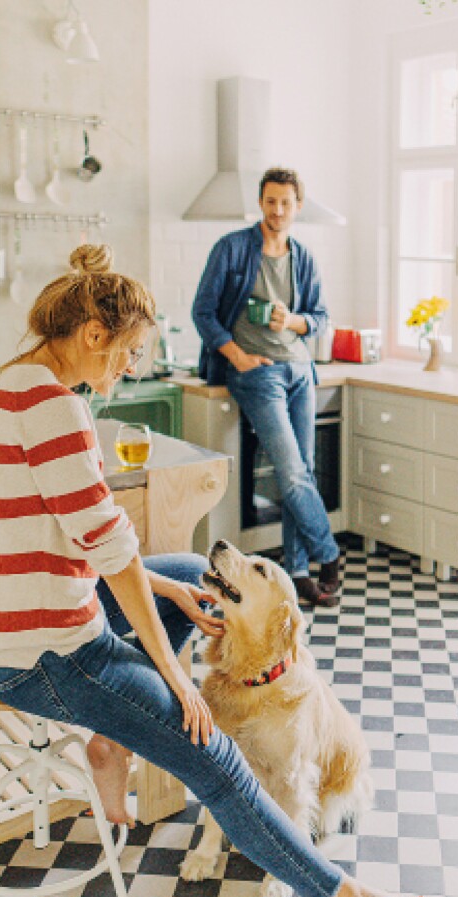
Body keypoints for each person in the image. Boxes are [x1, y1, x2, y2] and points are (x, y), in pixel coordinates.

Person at [0, 243, 432, 897]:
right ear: (93, 335)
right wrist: (176, 682)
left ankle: (114, 732)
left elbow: (60, 544)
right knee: (212, 748)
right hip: (43, 658)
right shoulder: (55, 410)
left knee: (184, 575)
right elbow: (109, 552)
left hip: (11, 628)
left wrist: (169, 592)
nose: (134, 366)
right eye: (131, 351)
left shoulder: (3, 387)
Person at [192, 166, 341, 608]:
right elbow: (203, 312)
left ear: (298, 206)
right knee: (294, 472)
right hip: (257, 374)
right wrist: (236, 355)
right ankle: (328, 554)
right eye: (271, 201)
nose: (278, 210)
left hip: (300, 372)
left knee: (302, 474)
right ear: (261, 202)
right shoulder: (233, 249)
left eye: (287, 202)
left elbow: (318, 319)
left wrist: (291, 321)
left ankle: (296, 573)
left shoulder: (304, 257)